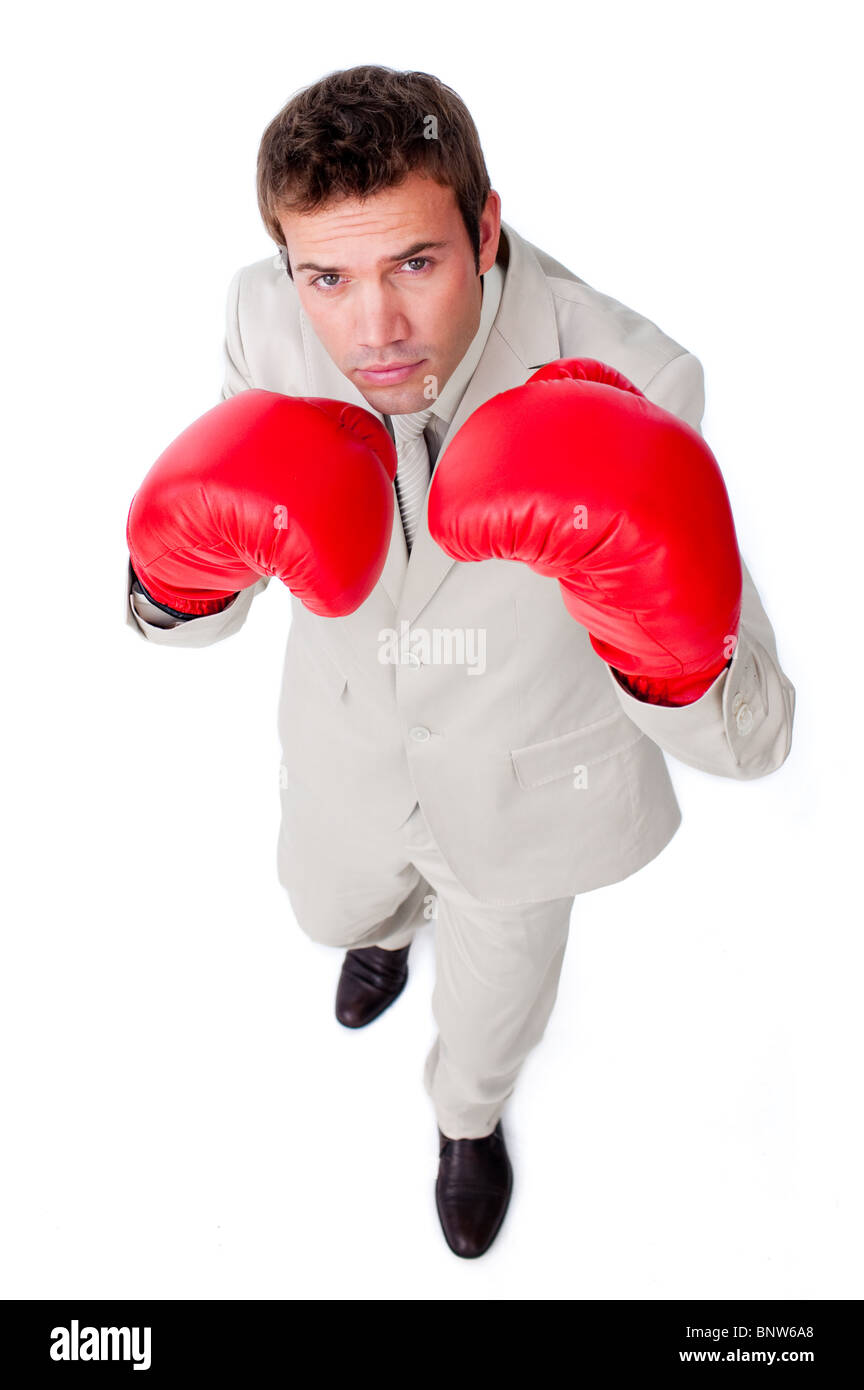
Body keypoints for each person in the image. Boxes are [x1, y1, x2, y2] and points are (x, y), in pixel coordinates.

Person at [124, 64, 796, 1259]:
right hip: (343, 751)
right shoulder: (259, 316)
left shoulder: (632, 375)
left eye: (415, 266)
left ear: (485, 228)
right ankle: (384, 933)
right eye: (326, 276)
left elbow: (756, 734)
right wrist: (170, 582)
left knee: (491, 1016)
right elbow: (212, 563)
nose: (372, 330)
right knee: (332, 907)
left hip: (527, 791)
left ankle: (467, 1122)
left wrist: (669, 642)